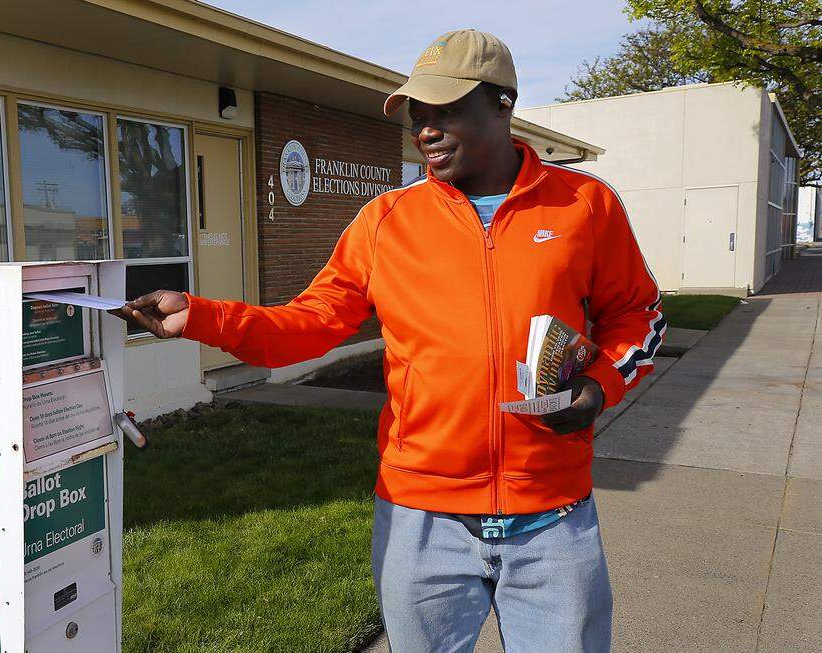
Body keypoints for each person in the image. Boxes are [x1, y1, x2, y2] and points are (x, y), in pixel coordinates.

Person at [113, 29, 664, 653]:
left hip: (553, 517)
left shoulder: (584, 206)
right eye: (417, 116)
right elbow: (308, 324)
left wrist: (599, 385)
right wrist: (202, 317)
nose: (425, 130)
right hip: (420, 518)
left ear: (503, 103)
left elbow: (638, 315)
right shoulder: (386, 222)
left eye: (447, 111)